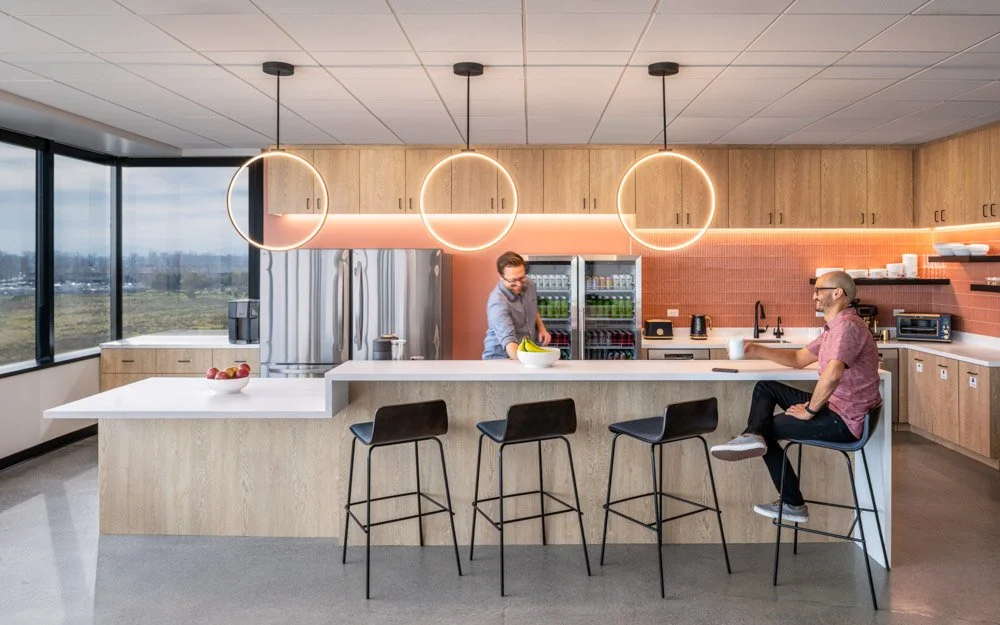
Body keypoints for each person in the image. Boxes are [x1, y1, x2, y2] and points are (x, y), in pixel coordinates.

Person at [710, 271, 881, 524]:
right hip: (837, 407)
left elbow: (833, 374)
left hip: (844, 420)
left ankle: (793, 503)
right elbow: (798, 359)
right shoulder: (834, 329)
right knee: (766, 388)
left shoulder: (848, 327)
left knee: (766, 433)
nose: (814, 295)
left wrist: (810, 411)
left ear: (838, 293)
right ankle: (751, 436)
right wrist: (754, 349)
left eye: (819, 290)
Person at [482, 251, 551, 360]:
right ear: (500, 277)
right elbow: (510, 343)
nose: (519, 284)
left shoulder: (529, 284)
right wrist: (531, 362)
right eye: (513, 280)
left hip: (524, 353)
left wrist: (542, 328)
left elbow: (533, 307)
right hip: (501, 358)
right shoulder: (498, 303)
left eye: (521, 278)